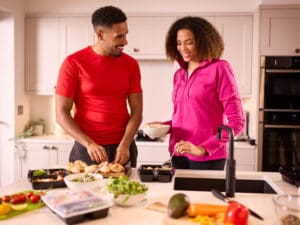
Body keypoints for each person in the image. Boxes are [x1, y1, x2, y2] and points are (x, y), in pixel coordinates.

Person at [55, 5, 143, 167]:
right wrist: (88, 143)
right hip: (87, 149)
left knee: (127, 192)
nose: (125, 41)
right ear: (100, 34)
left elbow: (137, 110)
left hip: (123, 148)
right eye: (119, 36)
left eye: (125, 35)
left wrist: (125, 144)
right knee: (85, 193)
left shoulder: (131, 64)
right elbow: (61, 113)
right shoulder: (73, 63)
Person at [157, 16, 245, 170]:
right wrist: (162, 127)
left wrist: (204, 148)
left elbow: (237, 122)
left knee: (202, 195)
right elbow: (185, 116)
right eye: (179, 43)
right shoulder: (179, 74)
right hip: (178, 154)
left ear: (203, 41)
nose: (182, 48)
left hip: (207, 157)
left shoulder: (219, 69)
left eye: (189, 42)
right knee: (179, 195)